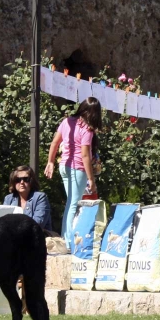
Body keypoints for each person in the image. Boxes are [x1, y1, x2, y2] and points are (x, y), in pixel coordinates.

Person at [44, 97, 102, 249]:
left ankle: (65, 238)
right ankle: (69, 242)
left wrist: (50, 161)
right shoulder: (87, 129)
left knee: (70, 203)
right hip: (77, 168)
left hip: (64, 166)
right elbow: (85, 155)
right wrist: (91, 179)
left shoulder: (67, 121)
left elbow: (55, 142)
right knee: (73, 204)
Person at [3, 165, 52, 231]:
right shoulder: (8, 199)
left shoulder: (40, 197)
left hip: (37, 237)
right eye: (18, 180)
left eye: (26, 179)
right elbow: (3, 223)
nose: (22, 182)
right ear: (13, 182)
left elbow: (38, 224)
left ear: (31, 181)